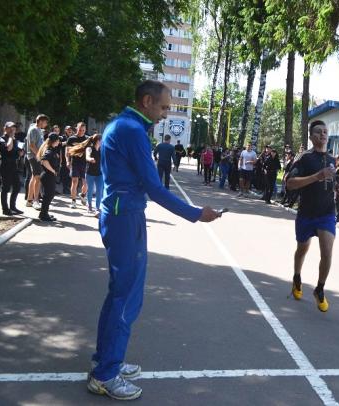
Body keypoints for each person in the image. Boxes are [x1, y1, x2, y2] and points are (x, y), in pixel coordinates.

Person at [87, 80, 221, 400]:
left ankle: (105, 360)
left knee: (118, 294)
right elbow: (155, 187)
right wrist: (194, 213)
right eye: (163, 107)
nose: (165, 114)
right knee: (126, 298)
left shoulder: (123, 124)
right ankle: (106, 374)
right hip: (125, 217)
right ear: (147, 101)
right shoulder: (132, 130)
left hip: (121, 214)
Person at [285, 120, 336, 312]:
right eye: (318, 132)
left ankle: (320, 289)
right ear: (311, 136)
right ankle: (297, 277)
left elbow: (331, 183)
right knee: (302, 249)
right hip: (306, 213)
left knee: (327, 251)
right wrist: (317, 176)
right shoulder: (303, 158)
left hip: (327, 213)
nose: (323, 135)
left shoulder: (332, 159)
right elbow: (290, 183)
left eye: (325, 131)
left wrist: (336, 188)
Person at [69, 134, 103, 215]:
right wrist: (90, 159)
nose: (103, 142)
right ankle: (89, 206)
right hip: (90, 173)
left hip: (100, 173)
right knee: (90, 190)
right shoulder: (89, 148)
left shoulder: (102, 149)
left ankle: (98, 208)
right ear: (98, 141)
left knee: (99, 191)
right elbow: (87, 157)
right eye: (101, 140)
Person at [0, 122, 24, 215]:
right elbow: (8, 148)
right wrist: (11, 137)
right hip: (5, 166)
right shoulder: (2, 139)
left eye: (14, 128)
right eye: (10, 128)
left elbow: (18, 153)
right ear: (5, 128)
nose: (12, 130)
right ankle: (5, 209)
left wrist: (20, 153)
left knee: (17, 187)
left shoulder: (14, 139)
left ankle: (13, 207)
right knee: (5, 188)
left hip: (14, 165)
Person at [25, 114, 48, 210]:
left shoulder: (39, 130)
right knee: (38, 178)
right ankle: (36, 201)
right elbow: (32, 145)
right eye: (45, 122)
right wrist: (39, 156)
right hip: (34, 157)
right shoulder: (34, 129)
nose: (46, 124)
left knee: (34, 177)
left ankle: (29, 200)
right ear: (41, 121)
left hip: (35, 156)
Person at [37, 133, 61, 222]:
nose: (59, 142)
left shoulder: (52, 149)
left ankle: (44, 213)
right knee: (48, 196)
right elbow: (44, 161)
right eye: (58, 140)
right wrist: (53, 170)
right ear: (55, 141)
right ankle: (43, 215)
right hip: (48, 176)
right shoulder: (49, 150)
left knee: (49, 195)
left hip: (49, 176)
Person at [66, 122, 89, 208]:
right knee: (74, 181)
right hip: (74, 162)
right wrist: (67, 161)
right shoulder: (71, 139)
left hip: (85, 163)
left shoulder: (87, 139)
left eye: (83, 130)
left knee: (86, 183)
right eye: (80, 130)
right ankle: (73, 201)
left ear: (85, 130)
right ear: (77, 129)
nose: (81, 132)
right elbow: (67, 151)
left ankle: (82, 195)